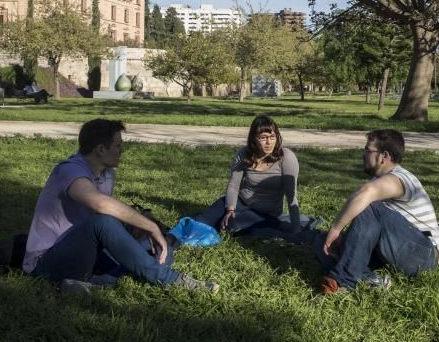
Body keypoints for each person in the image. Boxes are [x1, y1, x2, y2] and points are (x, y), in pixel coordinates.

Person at [23, 119, 218, 293]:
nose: (122, 150)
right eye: (117, 145)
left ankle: (96, 284)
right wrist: (148, 226)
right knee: (104, 222)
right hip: (47, 263)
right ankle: (172, 279)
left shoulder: (107, 174)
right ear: (100, 149)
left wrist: (140, 224)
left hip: (90, 254)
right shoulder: (69, 170)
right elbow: (100, 205)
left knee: (159, 246)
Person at [317, 129, 439, 293]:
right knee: (326, 246)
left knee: (370, 205)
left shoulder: (401, 178)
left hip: (425, 254)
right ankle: (372, 280)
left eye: (367, 150)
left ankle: (343, 284)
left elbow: (367, 193)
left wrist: (335, 229)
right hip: (397, 250)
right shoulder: (380, 181)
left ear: (384, 156)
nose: (363, 155)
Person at [194, 115, 313, 239]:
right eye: (263, 138)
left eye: (272, 137)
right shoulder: (244, 154)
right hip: (240, 203)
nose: (269, 142)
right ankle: (173, 240)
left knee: (233, 226)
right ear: (254, 139)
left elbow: (291, 195)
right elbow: (234, 186)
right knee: (201, 220)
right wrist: (230, 210)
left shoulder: (286, 157)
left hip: (264, 214)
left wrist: (296, 229)